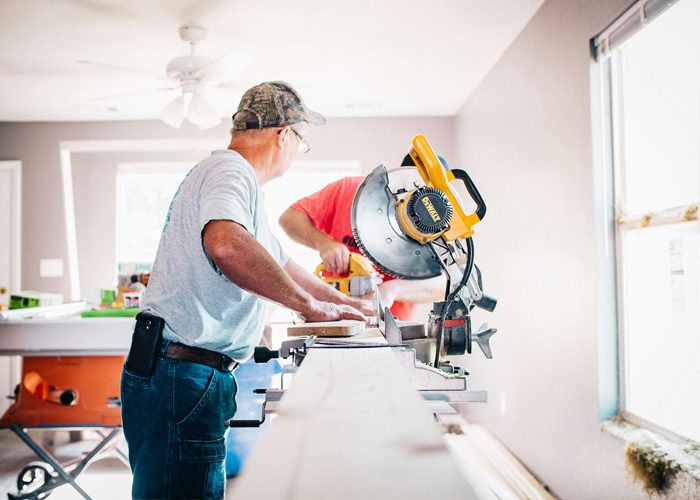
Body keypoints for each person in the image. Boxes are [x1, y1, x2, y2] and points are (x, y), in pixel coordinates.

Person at [120, 81, 371, 499]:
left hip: (178, 370)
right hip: (182, 373)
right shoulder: (230, 170)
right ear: (284, 135)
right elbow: (225, 243)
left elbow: (281, 262)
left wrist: (343, 303)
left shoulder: (235, 182)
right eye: (300, 142)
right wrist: (311, 308)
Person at [279, 154, 447, 321]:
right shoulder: (350, 190)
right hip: (331, 315)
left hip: (391, 326)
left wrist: (391, 290)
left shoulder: (437, 226)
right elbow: (289, 218)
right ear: (399, 176)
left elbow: (443, 284)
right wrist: (323, 243)